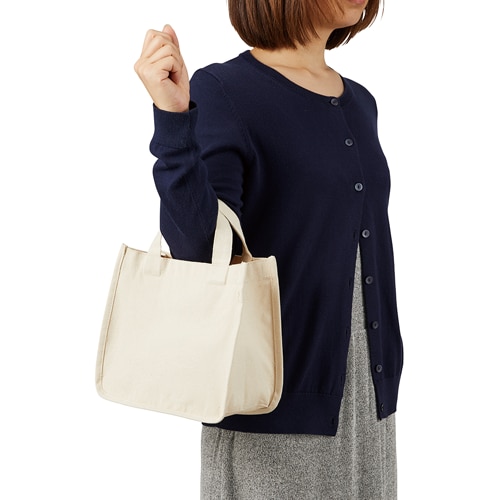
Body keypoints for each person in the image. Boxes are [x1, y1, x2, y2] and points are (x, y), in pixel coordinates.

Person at [134, 0, 403, 497]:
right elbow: (201, 253)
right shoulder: (224, 90)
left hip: (368, 408)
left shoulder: (361, 103)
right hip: (271, 413)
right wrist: (173, 121)